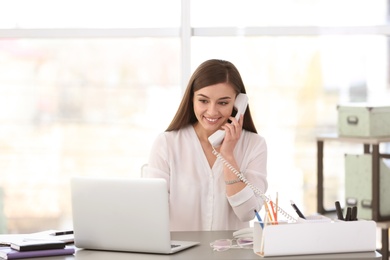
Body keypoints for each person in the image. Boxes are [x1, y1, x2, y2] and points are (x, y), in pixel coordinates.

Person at [145, 59, 267, 231]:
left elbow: (247, 213)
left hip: (232, 254)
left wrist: (228, 156)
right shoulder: (167, 144)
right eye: (203, 101)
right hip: (181, 254)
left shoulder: (255, 145)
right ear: (192, 99)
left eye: (223, 102)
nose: (211, 111)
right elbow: (152, 211)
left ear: (238, 103)